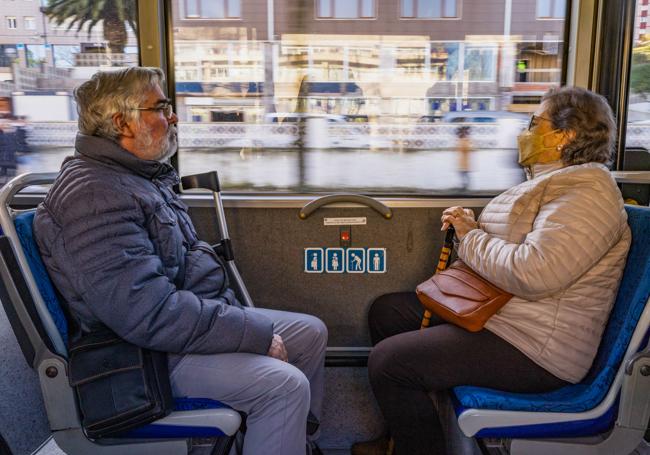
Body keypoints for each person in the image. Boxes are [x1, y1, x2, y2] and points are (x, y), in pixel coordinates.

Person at [33, 67, 327, 455]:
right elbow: (147, 313)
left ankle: (287, 442)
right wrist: (250, 332)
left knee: (309, 333)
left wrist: (236, 323)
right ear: (122, 121)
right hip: (141, 356)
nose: (173, 117)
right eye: (162, 107)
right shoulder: (93, 197)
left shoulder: (138, 177)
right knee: (283, 386)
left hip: (174, 329)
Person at [352, 86, 631, 455]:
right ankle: (402, 439)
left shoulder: (588, 195)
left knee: (389, 364)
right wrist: (473, 227)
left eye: (536, 122)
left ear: (566, 136)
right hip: (507, 316)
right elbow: (521, 246)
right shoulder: (557, 184)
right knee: (387, 312)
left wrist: (469, 237)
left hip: (537, 346)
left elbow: (535, 272)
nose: (525, 131)